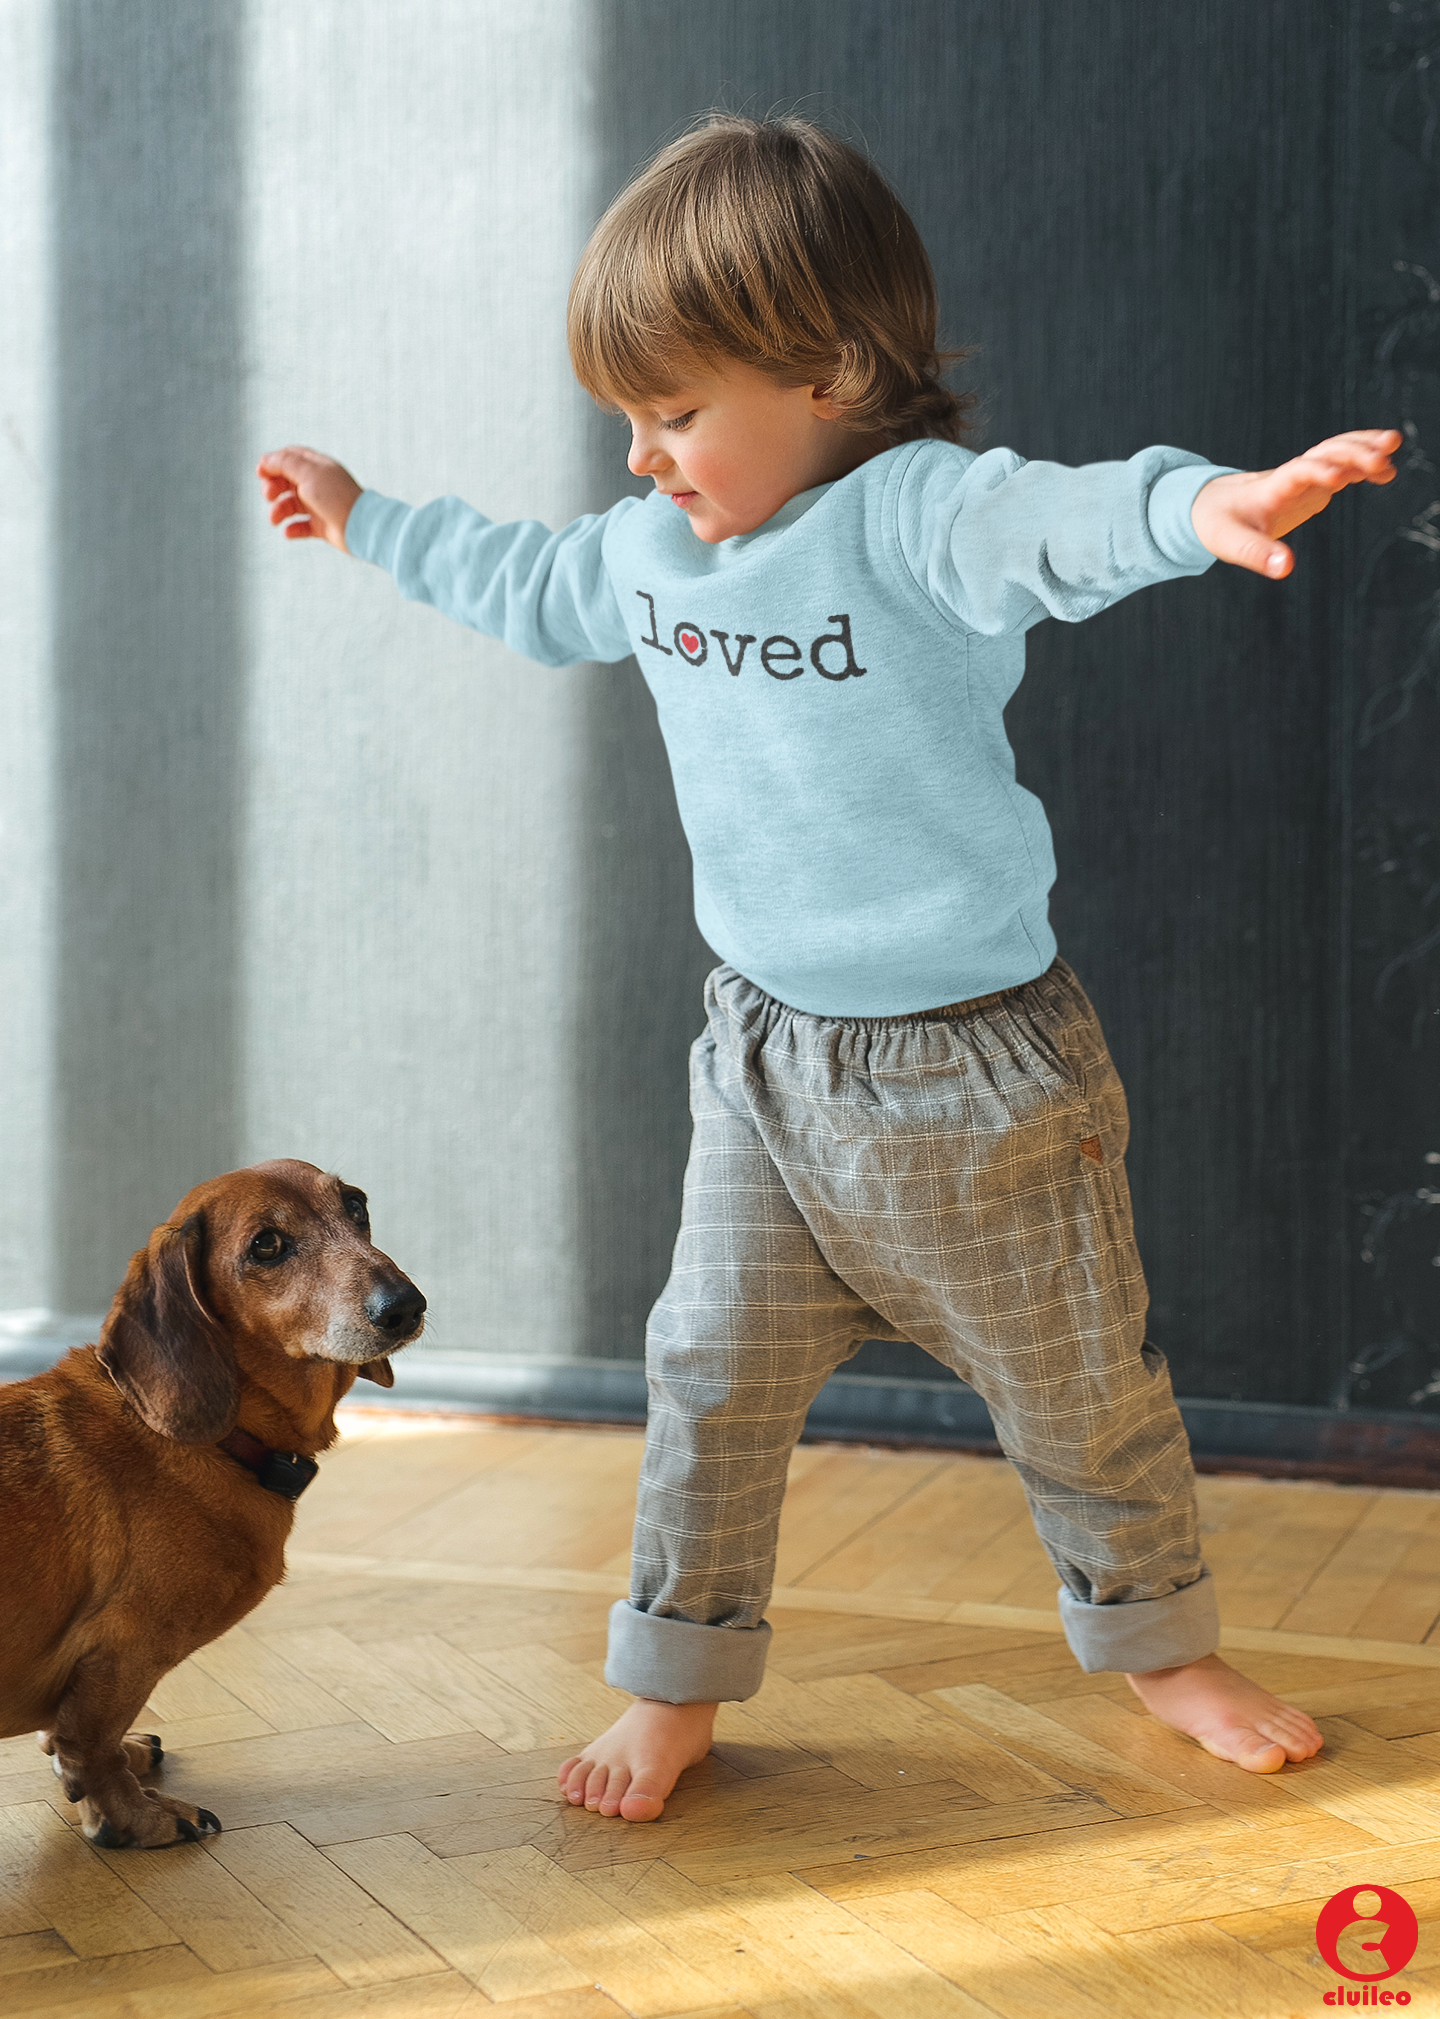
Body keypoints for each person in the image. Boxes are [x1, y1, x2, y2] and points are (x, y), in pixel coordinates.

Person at [258, 114, 1398, 1824]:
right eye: (625, 421)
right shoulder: (649, 556)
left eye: (673, 413)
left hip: (981, 1078)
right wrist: (365, 521)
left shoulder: (918, 521)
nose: (642, 459)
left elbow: (1067, 522)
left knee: (1083, 1388)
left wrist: (1205, 505)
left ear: (830, 372)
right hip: (768, 1069)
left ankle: (1163, 1646)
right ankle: (677, 1673)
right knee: (706, 1371)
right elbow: (519, 575)